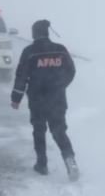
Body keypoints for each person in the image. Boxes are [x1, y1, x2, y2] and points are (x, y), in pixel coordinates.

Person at [10, 19, 79, 180]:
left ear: (35, 33)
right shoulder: (60, 50)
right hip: (58, 99)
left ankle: (42, 164)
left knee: (39, 131)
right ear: (47, 33)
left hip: (37, 99)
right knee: (59, 131)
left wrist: (16, 98)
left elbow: (21, 76)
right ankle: (70, 161)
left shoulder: (29, 52)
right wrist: (61, 86)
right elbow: (71, 71)